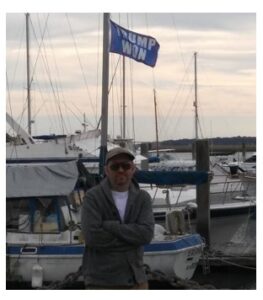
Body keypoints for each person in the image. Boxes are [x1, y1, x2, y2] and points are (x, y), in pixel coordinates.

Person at [81, 147, 155, 289]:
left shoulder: (143, 198)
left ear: (133, 169)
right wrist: (132, 239)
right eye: (115, 166)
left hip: (136, 279)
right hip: (101, 282)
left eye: (126, 166)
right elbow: (92, 237)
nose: (121, 170)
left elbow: (146, 235)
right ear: (106, 170)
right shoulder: (92, 197)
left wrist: (110, 226)